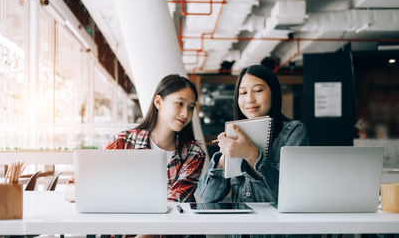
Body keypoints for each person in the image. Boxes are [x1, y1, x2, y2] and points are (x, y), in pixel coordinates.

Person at [66, 74, 206, 205]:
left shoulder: (194, 154)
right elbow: (73, 186)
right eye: (180, 103)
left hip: (168, 230)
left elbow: (175, 202)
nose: (185, 114)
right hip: (123, 226)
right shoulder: (123, 142)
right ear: (158, 102)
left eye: (191, 107)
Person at [198, 64, 309, 206]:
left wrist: (251, 155)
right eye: (243, 93)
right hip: (242, 227)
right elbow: (207, 198)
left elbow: (291, 196)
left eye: (257, 90)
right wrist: (223, 160)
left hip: (279, 227)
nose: (250, 99)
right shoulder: (235, 135)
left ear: (274, 93)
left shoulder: (293, 131)